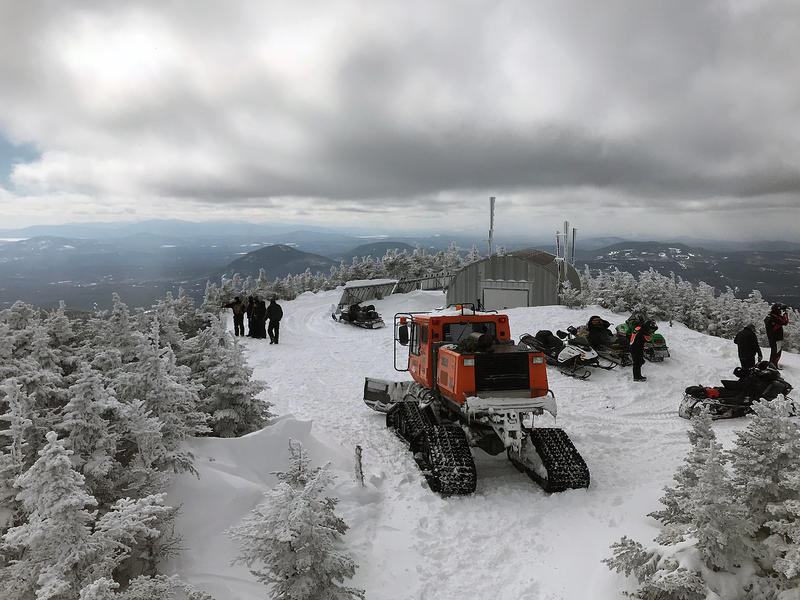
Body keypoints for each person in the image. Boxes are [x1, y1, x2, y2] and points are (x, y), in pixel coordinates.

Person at [764, 303, 789, 369]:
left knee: (774, 352)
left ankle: (772, 364)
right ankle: (774, 366)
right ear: (776, 310)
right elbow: (785, 322)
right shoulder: (774, 317)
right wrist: (785, 313)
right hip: (777, 338)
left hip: (772, 337)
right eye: (780, 309)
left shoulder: (770, 316)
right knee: (777, 352)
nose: (781, 311)